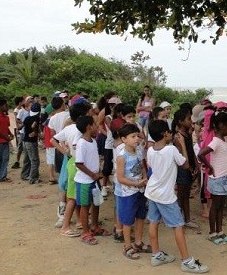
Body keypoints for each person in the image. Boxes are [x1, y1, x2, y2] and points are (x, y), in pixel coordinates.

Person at [146, 120, 209, 273]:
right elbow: (185, 164)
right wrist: (181, 145)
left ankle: (156, 255)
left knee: (153, 222)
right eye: (169, 132)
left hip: (152, 191)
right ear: (164, 134)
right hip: (166, 196)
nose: (171, 134)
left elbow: (151, 167)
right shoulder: (171, 150)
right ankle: (187, 261)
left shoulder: (150, 150)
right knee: (178, 225)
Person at [51, 101, 93, 238]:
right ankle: (65, 226)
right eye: (89, 112)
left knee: (75, 195)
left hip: (71, 162)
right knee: (73, 198)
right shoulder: (79, 131)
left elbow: (53, 140)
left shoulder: (69, 128)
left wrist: (64, 151)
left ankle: (80, 221)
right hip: (77, 165)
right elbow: (76, 145)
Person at [198, 112, 227, 246]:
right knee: (215, 207)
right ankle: (212, 232)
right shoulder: (216, 142)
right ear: (221, 125)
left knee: (220, 207)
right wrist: (209, 167)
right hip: (217, 179)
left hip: (224, 178)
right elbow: (201, 154)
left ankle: (220, 231)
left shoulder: (222, 141)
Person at [116, 123, 150, 259]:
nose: (136, 139)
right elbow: (120, 178)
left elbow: (142, 166)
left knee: (140, 216)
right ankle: (127, 246)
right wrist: (136, 183)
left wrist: (145, 178)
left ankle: (138, 242)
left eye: (137, 136)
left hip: (140, 190)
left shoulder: (139, 151)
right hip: (127, 193)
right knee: (127, 220)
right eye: (133, 136)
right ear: (124, 139)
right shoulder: (121, 156)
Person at [74, 115, 108, 245]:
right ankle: (85, 232)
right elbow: (79, 163)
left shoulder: (93, 141)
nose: (97, 127)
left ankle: (94, 226)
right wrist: (92, 175)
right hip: (85, 181)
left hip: (94, 180)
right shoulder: (82, 143)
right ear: (89, 127)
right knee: (85, 206)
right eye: (94, 124)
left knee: (96, 203)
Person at [172, 108, 199, 229]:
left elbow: (191, 151)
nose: (190, 121)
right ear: (180, 122)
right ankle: (177, 219)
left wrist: (196, 165)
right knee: (181, 196)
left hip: (189, 168)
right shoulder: (178, 137)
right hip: (182, 169)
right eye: (188, 119)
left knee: (185, 195)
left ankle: (186, 219)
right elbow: (182, 157)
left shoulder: (187, 134)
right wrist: (190, 168)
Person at [48, 96, 70, 228]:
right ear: (62, 105)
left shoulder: (52, 119)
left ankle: (62, 213)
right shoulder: (68, 115)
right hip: (68, 149)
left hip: (59, 149)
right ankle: (67, 213)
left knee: (63, 181)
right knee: (70, 180)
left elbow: (53, 135)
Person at [20, 102, 42, 184]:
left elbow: (22, 126)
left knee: (27, 159)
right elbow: (34, 127)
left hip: (25, 140)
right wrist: (37, 133)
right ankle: (33, 178)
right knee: (35, 160)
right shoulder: (36, 118)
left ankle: (25, 174)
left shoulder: (27, 118)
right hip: (31, 142)